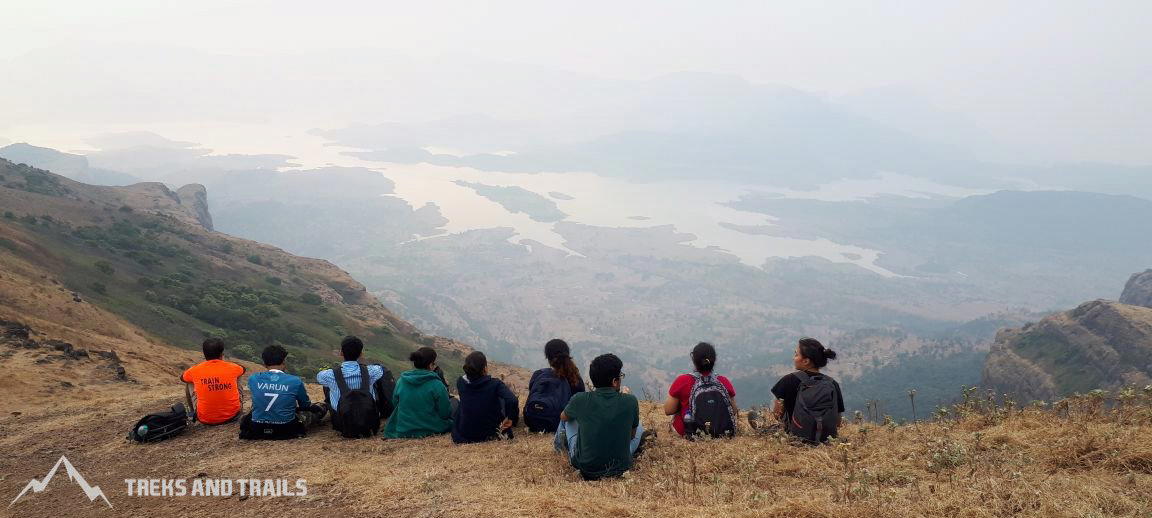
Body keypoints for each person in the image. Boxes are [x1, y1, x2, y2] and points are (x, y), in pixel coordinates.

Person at [554, 353, 651, 480]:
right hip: (621, 467)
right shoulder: (631, 401)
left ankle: (559, 448)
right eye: (620, 376)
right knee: (639, 426)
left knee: (567, 419)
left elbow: (563, 417)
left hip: (586, 467)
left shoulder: (580, 399)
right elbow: (631, 436)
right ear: (615, 382)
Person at [239, 345, 329, 440]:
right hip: (286, 429)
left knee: (250, 414)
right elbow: (305, 405)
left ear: (264, 363)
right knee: (319, 408)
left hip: (257, 428)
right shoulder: (295, 380)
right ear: (284, 361)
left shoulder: (253, 379)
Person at [771, 337, 844, 443]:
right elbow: (838, 422)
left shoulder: (788, 380)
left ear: (806, 361)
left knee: (770, 429)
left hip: (795, 436)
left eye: (796, 354)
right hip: (826, 439)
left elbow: (777, 414)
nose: (793, 358)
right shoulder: (832, 384)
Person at [663, 342, 737, 439]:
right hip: (722, 431)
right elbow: (734, 410)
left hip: (689, 433)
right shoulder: (723, 381)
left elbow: (668, 410)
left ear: (694, 360)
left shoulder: (682, 381)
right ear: (713, 360)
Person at [316, 336, 388, 436]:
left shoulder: (329, 375)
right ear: (361, 353)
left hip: (342, 423)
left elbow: (319, 377)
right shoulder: (371, 371)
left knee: (328, 386)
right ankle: (386, 410)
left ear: (341, 353)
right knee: (373, 382)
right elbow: (381, 369)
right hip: (367, 420)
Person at [384, 347, 453, 438]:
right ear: (430, 365)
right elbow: (445, 413)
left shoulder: (402, 381)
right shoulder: (437, 384)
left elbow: (395, 403)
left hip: (403, 429)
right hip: (431, 429)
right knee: (454, 403)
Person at [452, 351, 519, 444]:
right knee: (501, 400)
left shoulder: (460, 382)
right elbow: (512, 400)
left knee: (462, 404)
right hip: (491, 432)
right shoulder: (495, 384)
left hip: (466, 433)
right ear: (485, 368)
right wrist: (510, 418)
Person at [524, 338, 586, 433]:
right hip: (560, 423)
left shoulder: (538, 374)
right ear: (567, 355)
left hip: (532, 420)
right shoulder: (575, 379)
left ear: (548, 358)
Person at [181, 337, 245, 425]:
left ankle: (193, 413)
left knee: (188, 380)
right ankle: (239, 407)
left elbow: (182, 377)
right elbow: (243, 369)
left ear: (204, 354)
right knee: (238, 374)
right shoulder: (232, 367)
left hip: (205, 418)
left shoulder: (195, 370)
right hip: (233, 415)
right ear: (222, 353)